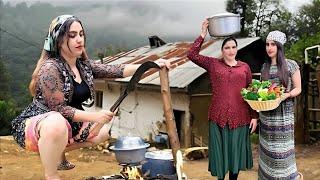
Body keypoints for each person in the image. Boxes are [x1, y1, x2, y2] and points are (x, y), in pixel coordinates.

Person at [11, 14, 170, 180]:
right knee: (56, 122)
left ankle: (55, 151)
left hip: (69, 124)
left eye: (81, 34)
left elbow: (115, 70)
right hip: (37, 125)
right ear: (58, 40)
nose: (79, 39)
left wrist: (150, 66)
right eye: (72, 36)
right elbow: (59, 109)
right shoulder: (50, 68)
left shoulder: (83, 66)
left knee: (103, 131)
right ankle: (51, 174)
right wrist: (96, 116)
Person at [187, 19, 258, 180]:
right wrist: (202, 34)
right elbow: (191, 55)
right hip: (218, 117)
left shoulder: (244, 67)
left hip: (240, 118)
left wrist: (254, 116)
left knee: (235, 156)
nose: (231, 50)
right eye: (227, 47)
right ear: (222, 50)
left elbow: (250, 93)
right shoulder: (213, 64)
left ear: (237, 49)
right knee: (220, 157)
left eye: (233, 47)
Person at [259, 30, 302, 180]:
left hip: (284, 114)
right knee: (267, 150)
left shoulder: (291, 65)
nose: (269, 47)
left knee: (282, 152)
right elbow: (263, 90)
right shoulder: (264, 67)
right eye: (267, 44)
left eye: (273, 44)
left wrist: (287, 94)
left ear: (279, 46)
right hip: (266, 115)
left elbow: (298, 88)